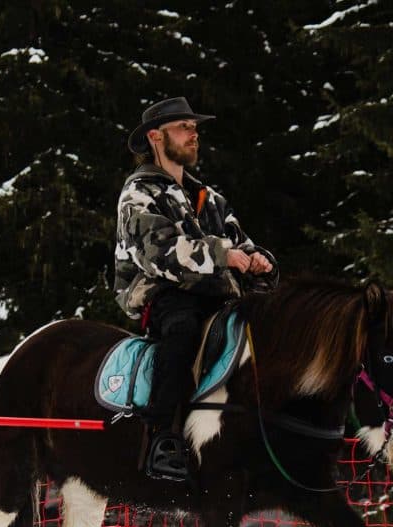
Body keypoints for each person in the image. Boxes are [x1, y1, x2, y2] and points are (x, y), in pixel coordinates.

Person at [114, 97, 275, 479]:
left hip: (219, 295)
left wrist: (260, 260)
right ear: (155, 137)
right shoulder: (138, 194)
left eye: (194, 127)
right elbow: (158, 252)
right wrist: (224, 255)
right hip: (163, 292)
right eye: (184, 127)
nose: (194, 134)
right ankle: (161, 438)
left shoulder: (210, 198)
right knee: (183, 330)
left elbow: (241, 242)